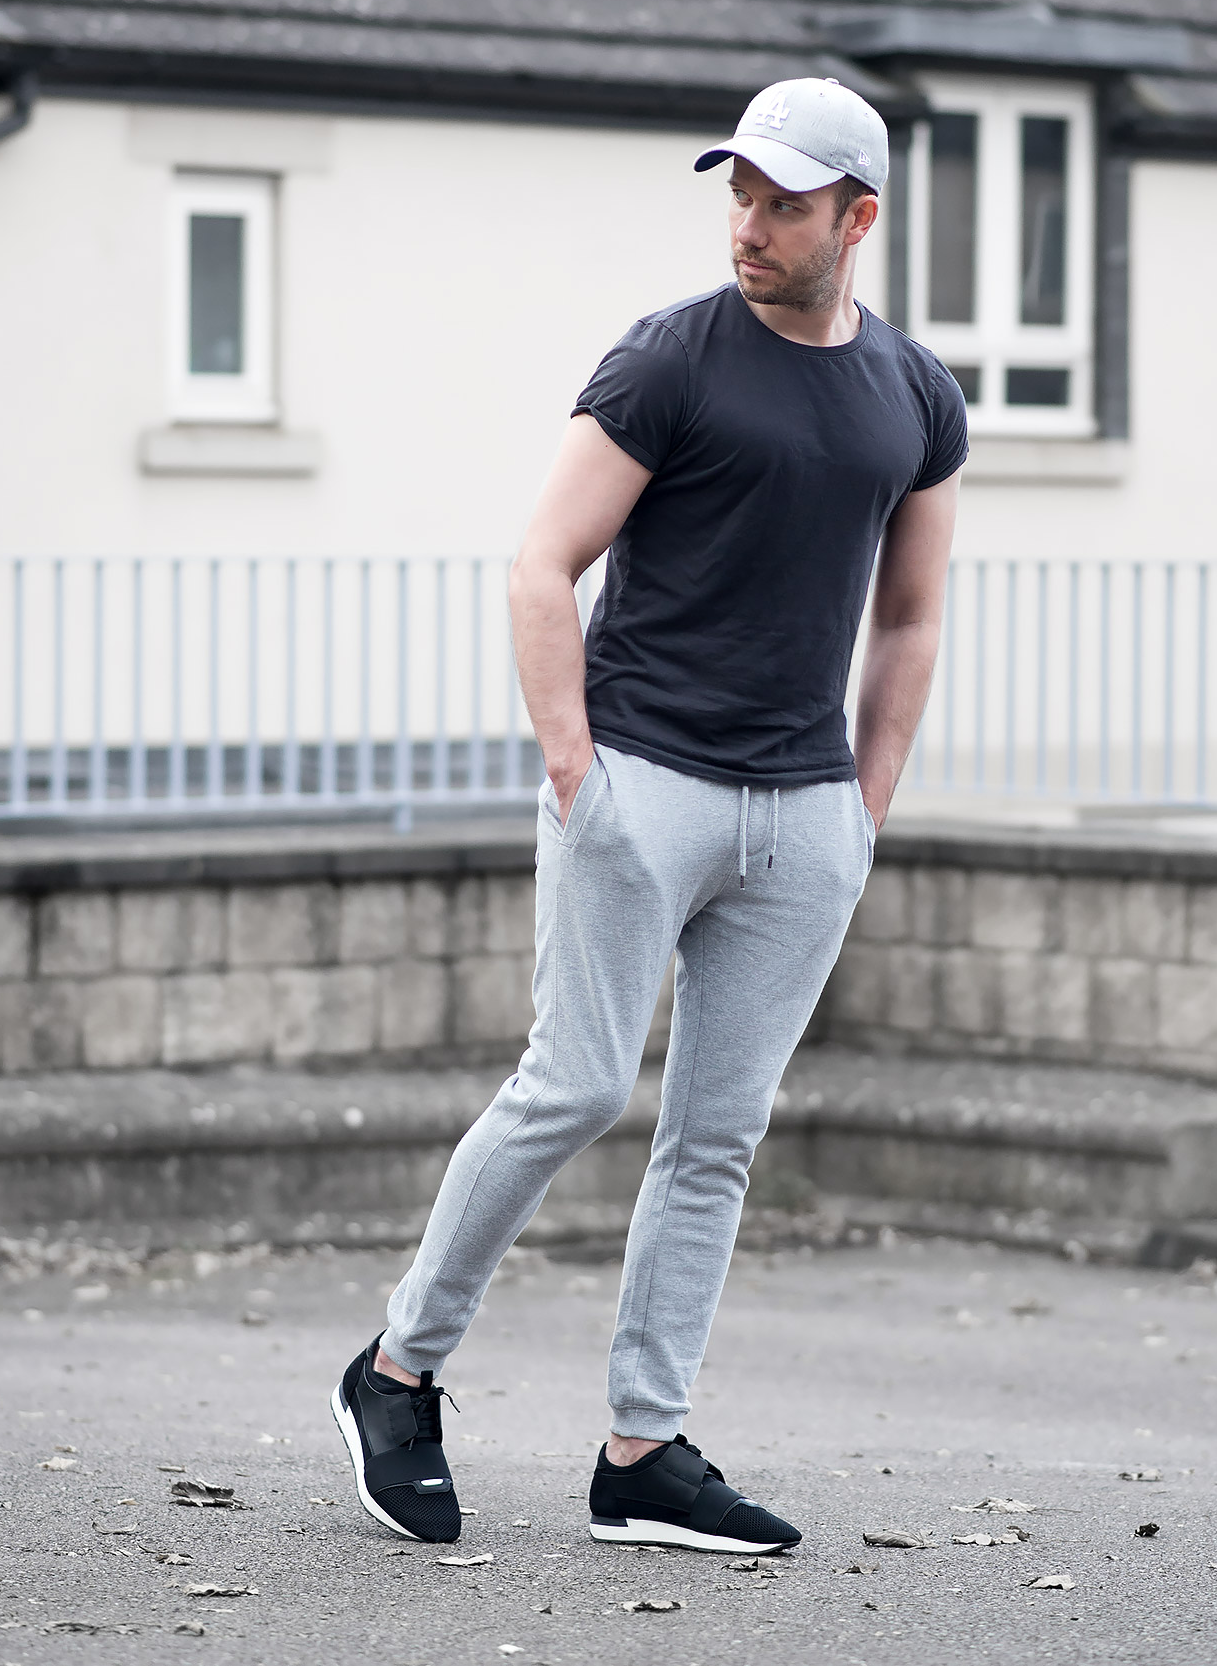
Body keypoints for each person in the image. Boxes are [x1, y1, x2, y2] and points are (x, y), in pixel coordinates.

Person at [332, 76, 967, 1554]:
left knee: (717, 1135)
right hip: (643, 781)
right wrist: (577, 768)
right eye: (738, 195)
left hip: (803, 816)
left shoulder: (917, 395)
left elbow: (912, 614)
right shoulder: (669, 359)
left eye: (784, 204)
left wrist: (865, 803)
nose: (749, 225)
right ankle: (399, 1370)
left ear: (857, 219)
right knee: (574, 1085)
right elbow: (542, 563)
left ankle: (642, 1451)